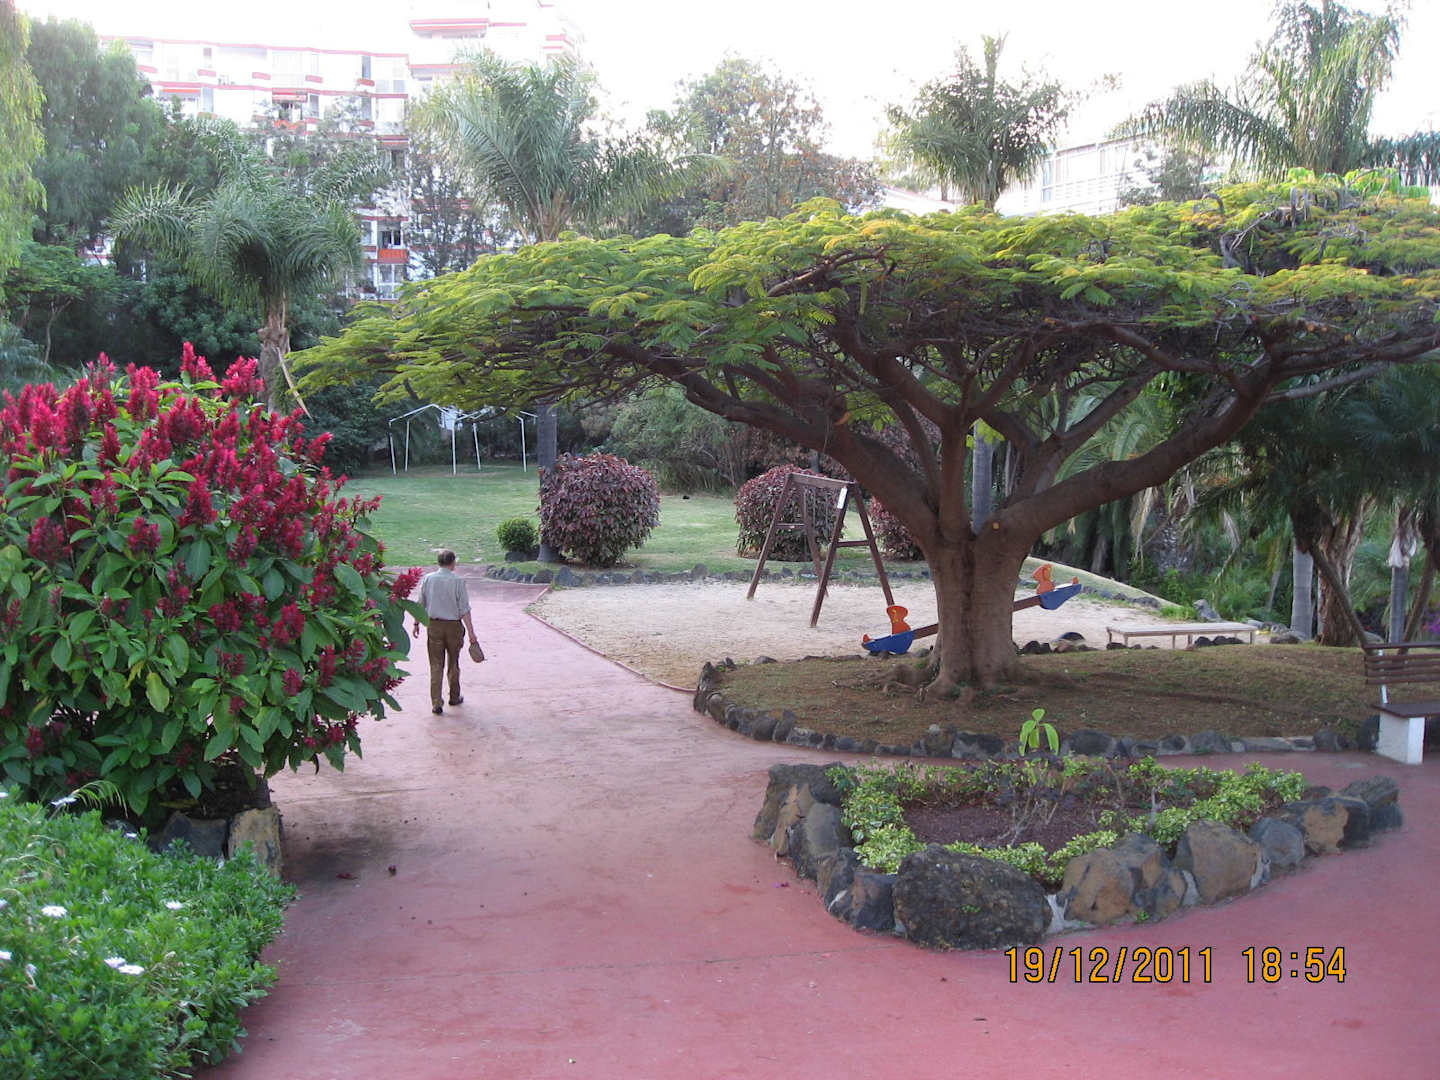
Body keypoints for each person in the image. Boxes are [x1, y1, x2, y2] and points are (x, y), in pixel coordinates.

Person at [413, 550, 480, 715]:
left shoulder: (428, 579)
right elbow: (464, 609)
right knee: (453, 662)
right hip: (453, 627)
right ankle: (454, 696)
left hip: (434, 625)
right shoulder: (458, 581)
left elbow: (420, 603)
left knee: (436, 665)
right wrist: (471, 633)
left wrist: (416, 623)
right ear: (452, 562)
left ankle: (436, 702)